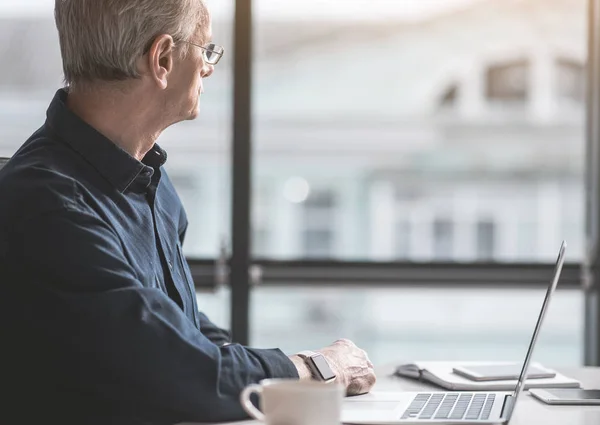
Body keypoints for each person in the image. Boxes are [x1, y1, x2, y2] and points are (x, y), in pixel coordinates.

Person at [0, 1, 376, 424]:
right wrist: (318, 369)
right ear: (162, 59)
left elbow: (186, 335)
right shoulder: (48, 204)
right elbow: (183, 372)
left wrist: (272, 372)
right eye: (206, 49)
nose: (209, 67)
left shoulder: (150, 182)